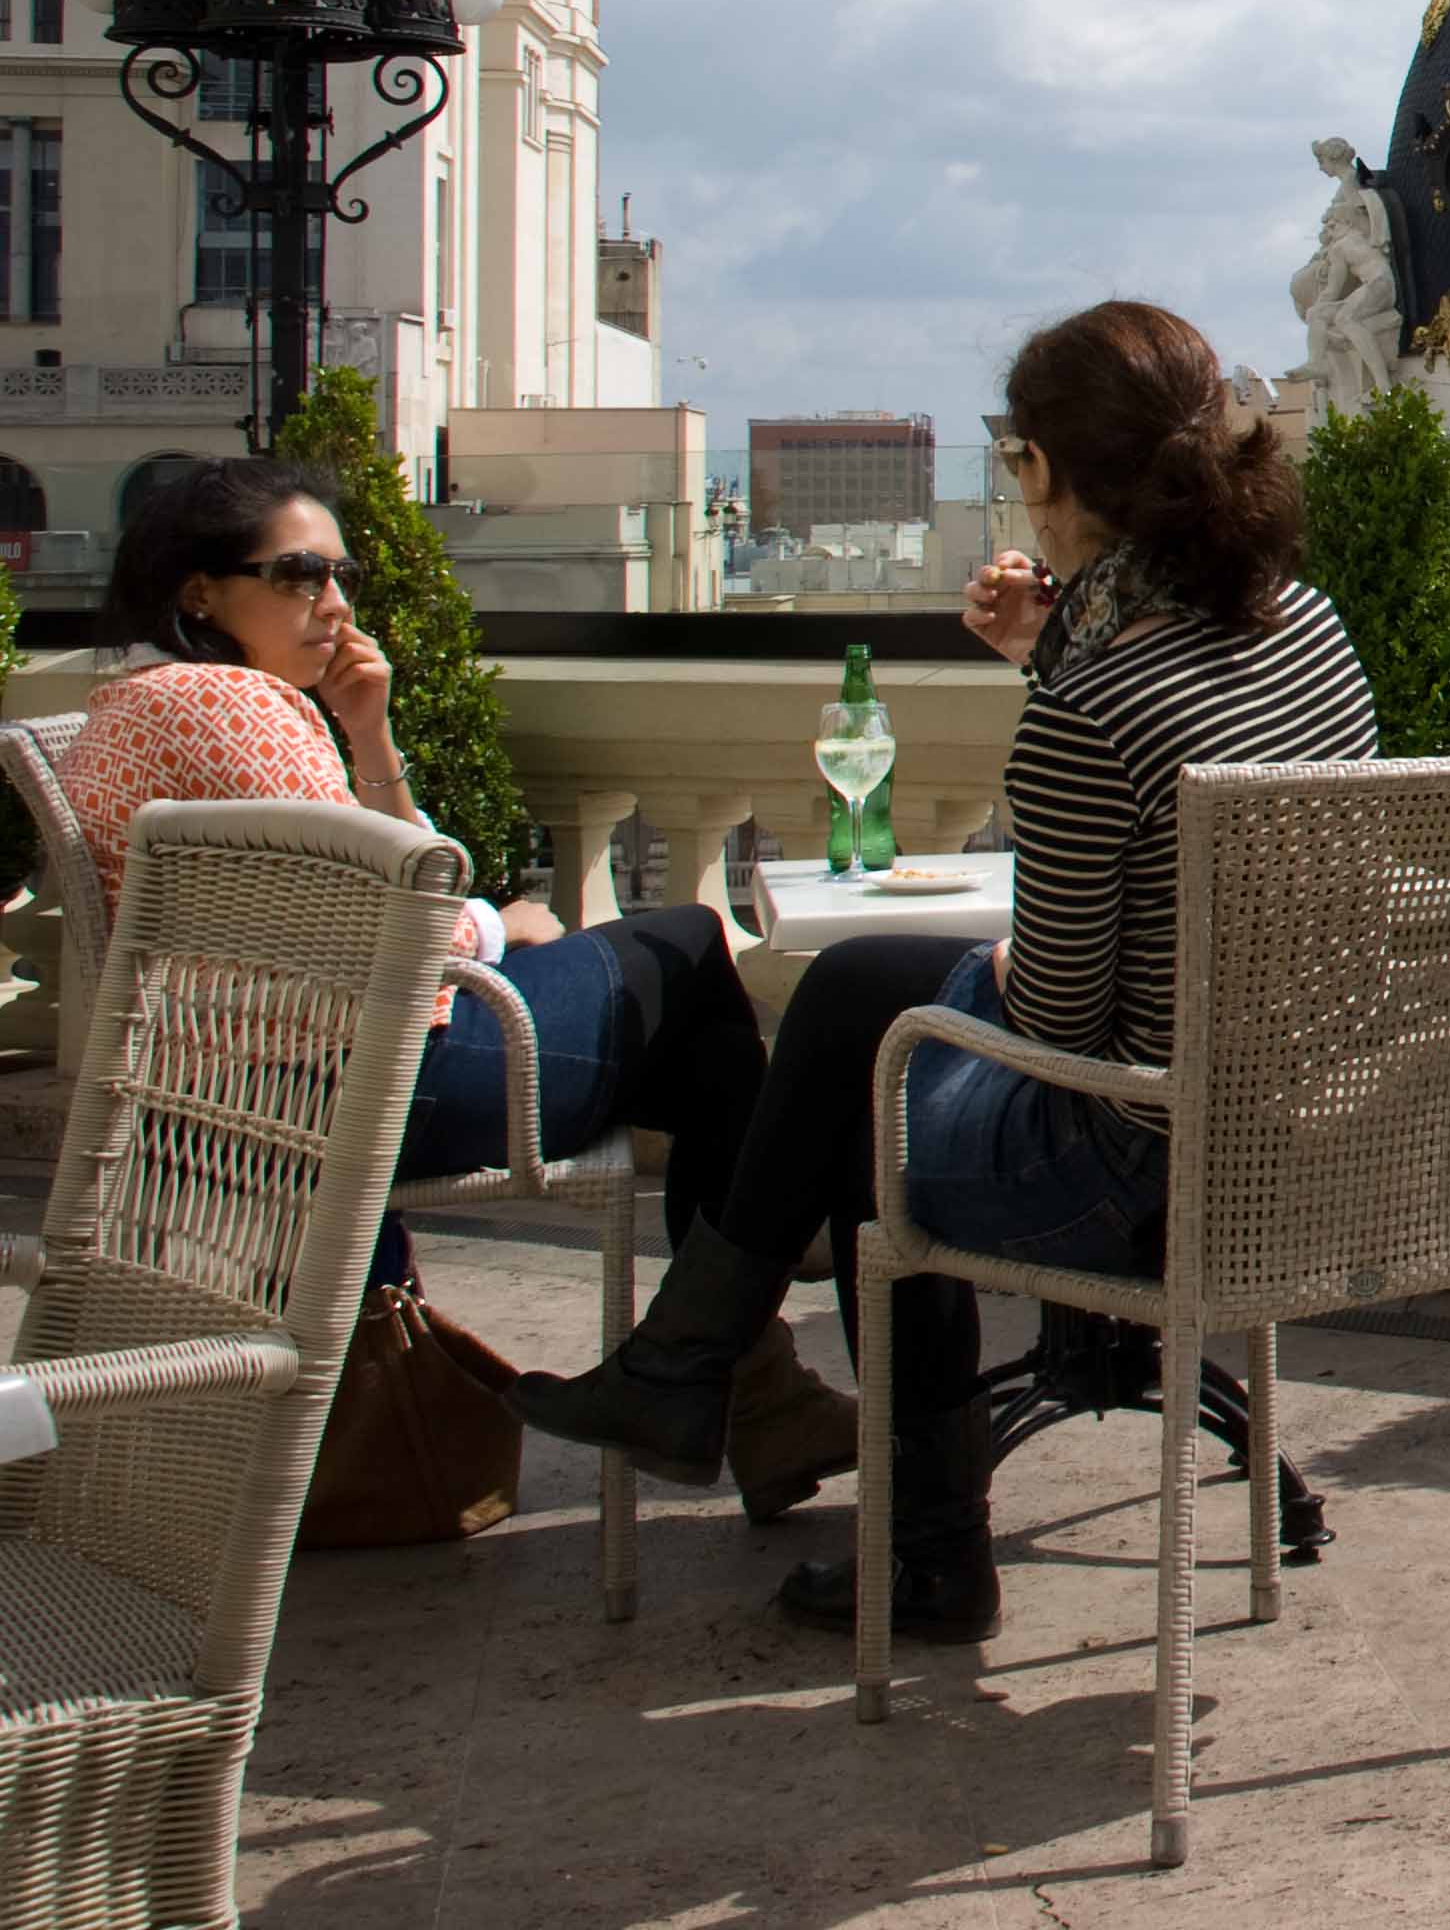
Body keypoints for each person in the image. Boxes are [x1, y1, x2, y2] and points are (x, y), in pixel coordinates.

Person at [513, 302, 1377, 1642]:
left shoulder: (1098, 706)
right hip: (1306, 1139)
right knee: (864, 991)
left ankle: (909, 1541)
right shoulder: (1305, 626)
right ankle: (689, 1359)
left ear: (1036, 471)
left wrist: (997, 955)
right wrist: (1056, 653)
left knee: (870, 1111)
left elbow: (1056, 1017)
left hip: (1139, 1166)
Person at [58, 458, 856, 1521]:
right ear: (199, 588)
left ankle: (731, 1348)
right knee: (691, 947)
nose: (334, 603)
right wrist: (490, 924)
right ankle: (744, 1312)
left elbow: (378, 875)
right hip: (355, 1089)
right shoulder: (232, 704)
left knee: (701, 1042)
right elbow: (383, 920)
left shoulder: (145, 700)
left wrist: (368, 729)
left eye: (339, 574)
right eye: (298, 574)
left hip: (258, 1098)